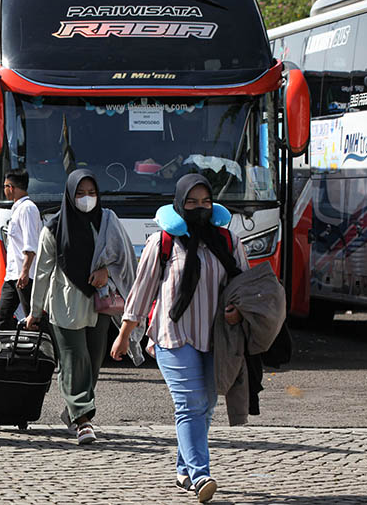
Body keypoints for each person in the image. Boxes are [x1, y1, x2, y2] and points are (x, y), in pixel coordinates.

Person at [110, 174, 249, 502]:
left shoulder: (229, 242)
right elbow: (141, 293)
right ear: (178, 203)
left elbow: (246, 288)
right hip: (173, 335)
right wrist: (124, 335)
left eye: (205, 202)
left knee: (208, 405)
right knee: (189, 403)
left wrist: (239, 312)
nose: (199, 208)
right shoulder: (163, 243)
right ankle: (201, 476)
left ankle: (184, 469)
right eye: (191, 202)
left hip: (217, 338)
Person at [25, 170, 136, 444]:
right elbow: (42, 273)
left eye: (92, 193)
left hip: (97, 303)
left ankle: (74, 410)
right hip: (64, 304)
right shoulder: (53, 229)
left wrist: (107, 272)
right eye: (80, 193)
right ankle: (84, 421)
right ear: (69, 195)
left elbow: (125, 257)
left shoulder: (108, 222)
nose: (87, 199)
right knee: (74, 361)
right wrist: (35, 311)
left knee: (94, 361)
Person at [0, 169, 41, 329]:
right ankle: (10, 350)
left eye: (5, 186)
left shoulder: (28, 209)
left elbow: (31, 244)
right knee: (1, 318)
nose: (4, 190)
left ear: (11, 187)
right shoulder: (17, 209)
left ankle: (44, 350)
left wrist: (25, 271)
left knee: (33, 320)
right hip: (13, 275)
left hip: (26, 276)